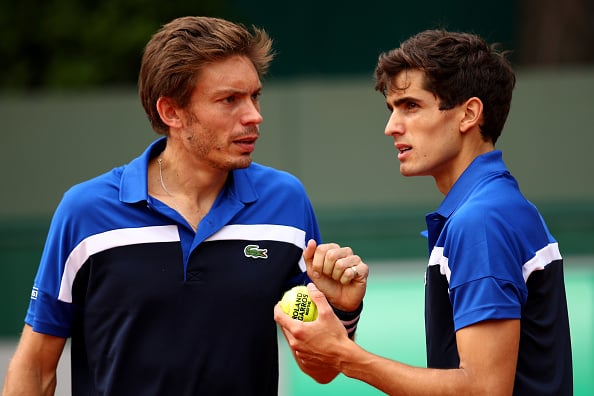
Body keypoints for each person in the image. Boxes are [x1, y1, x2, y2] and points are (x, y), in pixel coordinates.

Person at [2, 16, 368, 396]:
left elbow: (322, 372)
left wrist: (343, 312)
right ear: (171, 112)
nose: (254, 116)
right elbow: (36, 367)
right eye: (229, 100)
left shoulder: (286, 201)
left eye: (255, 96)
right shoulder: (85, 212)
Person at [274, 29, 573, 395]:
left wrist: (344, 355)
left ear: (469, 114)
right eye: (392, 109)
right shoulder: (496, 207)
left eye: (411, 106)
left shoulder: (481, 220)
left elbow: (484, 389)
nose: (391, 127)